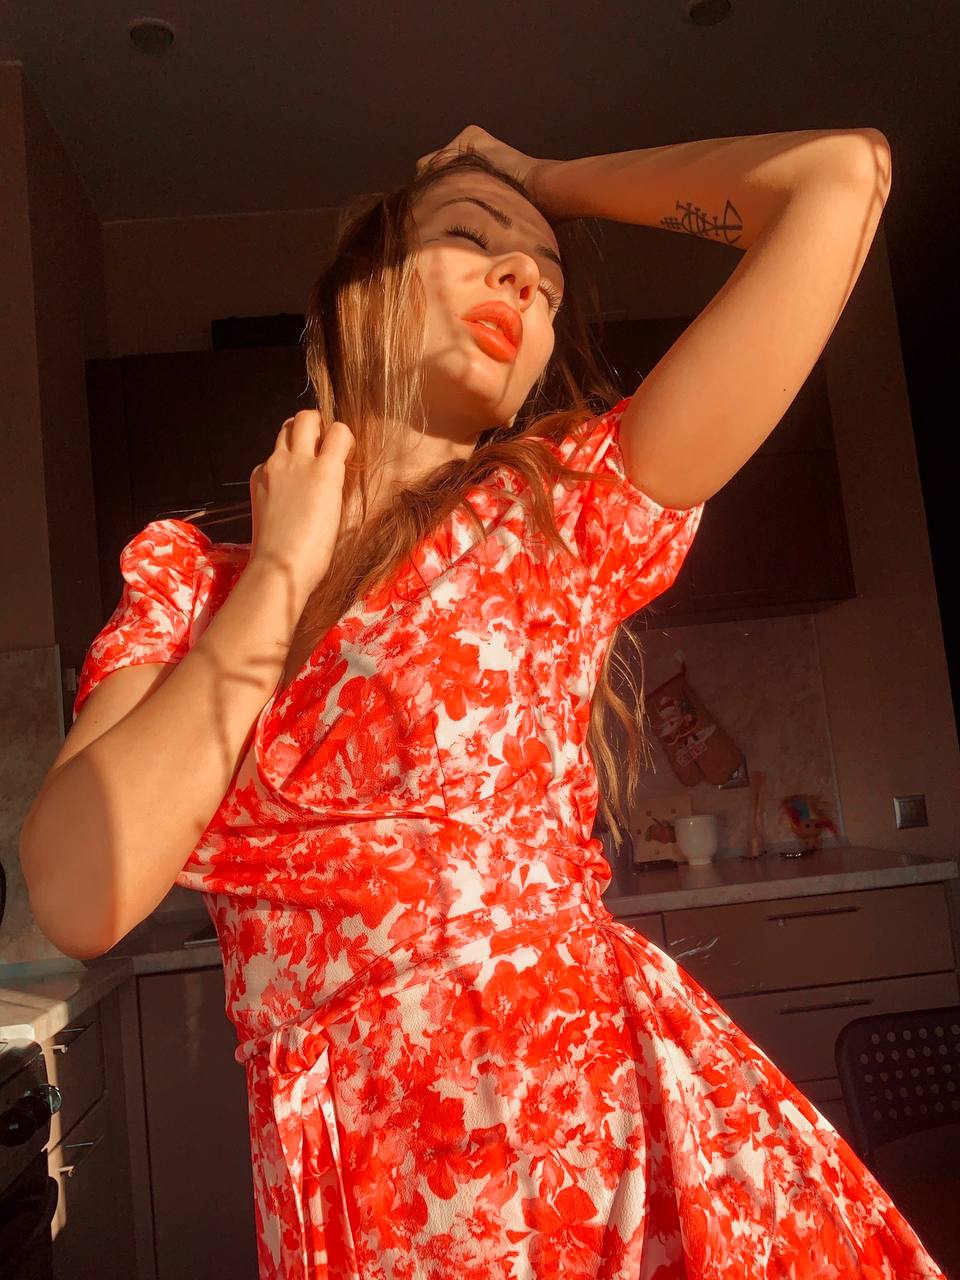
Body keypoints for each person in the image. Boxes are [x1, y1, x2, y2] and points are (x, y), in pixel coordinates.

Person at [22, 126, 946, 1278]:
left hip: (589, 1149)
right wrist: (278, 576)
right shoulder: (187, 583)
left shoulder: (558, 511)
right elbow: (79, 893)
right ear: (355, 297)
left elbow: (841, 178)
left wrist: (542, 183)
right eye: (472, 237)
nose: (522, 277)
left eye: (545, 283)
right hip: (351, 1192)